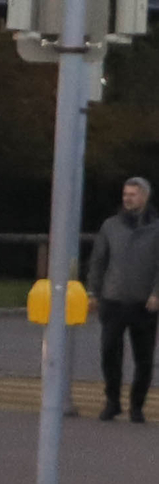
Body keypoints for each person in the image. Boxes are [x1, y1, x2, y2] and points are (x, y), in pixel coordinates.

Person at [86, 176, 159, 422]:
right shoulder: (111, 226)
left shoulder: (156, 227)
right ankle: (112, 402)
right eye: (125, 194)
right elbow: (98, 260)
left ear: (145, 196)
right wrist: (94, 292)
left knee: (144, 358)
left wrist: (156, 293)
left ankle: (137, 407)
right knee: (109, 353)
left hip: (144, 304)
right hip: (113, 300)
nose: (127, 198)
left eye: (133, 194)